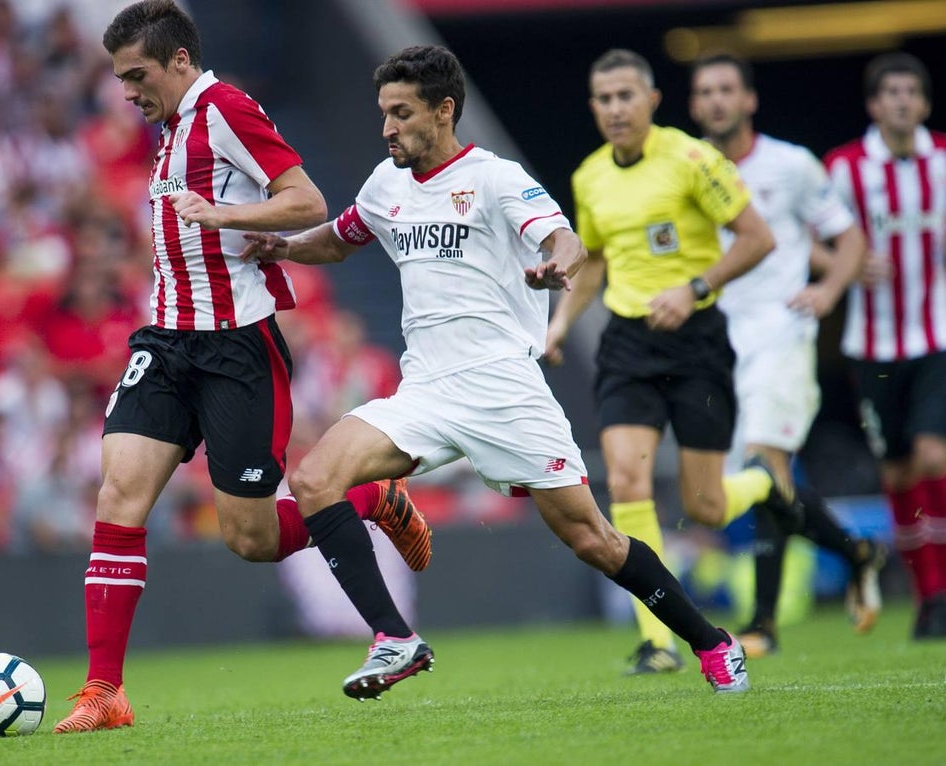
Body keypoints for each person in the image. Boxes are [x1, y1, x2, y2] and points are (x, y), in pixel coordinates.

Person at [243, 44, 750, 698]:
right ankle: (395, 638)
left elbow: (564, 238)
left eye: (401, 114)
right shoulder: (385, 184)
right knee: (314, 478)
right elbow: (341, 239)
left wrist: (557, 263)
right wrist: (282, 247)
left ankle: (712, 643)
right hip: (423, 390)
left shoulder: (494, 178)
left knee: (593, 539)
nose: (387, 128)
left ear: (444, 110)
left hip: (504, 392)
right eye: (383, 114)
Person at [53, 0, 433, 733]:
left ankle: (368, 502)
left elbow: (307, 200)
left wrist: (229, 217)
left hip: (236, 348)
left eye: (137, 75)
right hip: (165, 343)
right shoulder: (167, 131)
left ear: (180, 63)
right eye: (121, 79)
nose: (127, 91)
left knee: (251, 539)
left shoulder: (224, 107)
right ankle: (104, 693)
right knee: (117, 496)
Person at [545, 48, 787, 675]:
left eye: (627, 96)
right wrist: (560, 323)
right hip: (629, 344)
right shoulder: (590, 176)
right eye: (604, 98)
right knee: (625, 479)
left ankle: (761, 481)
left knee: (704, 505)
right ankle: (658, 641)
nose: (616, 109)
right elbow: (593, 258)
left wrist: (694, 290)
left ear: (652, 100)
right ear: (593, 107)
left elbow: (759, 238)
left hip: (698, 339)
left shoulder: (692, 159)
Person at [687, 53, 889, 657]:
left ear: (749, 99)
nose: (717, 100)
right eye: (705, 92)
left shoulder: (792, 164)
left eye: (727, 88)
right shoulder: (686, 165)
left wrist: (827, 289)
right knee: (727, 491)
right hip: (716, 344)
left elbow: (847, 236)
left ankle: (763, 624)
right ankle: (858, 551)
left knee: (764, 467)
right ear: (694, 105)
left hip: (781, 332)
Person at [824, 52, 946, 640]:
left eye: (911, 92)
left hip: (937, 335)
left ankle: (943, 590)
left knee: (933, 458)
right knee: (897, 474)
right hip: (870, 345)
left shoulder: (944, 160)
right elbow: (807, 242)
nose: (901, 101)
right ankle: (928, 597)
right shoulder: (844, 168)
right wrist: (845, 265)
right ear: (874, 104)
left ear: (923, 103)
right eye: (890, 92)